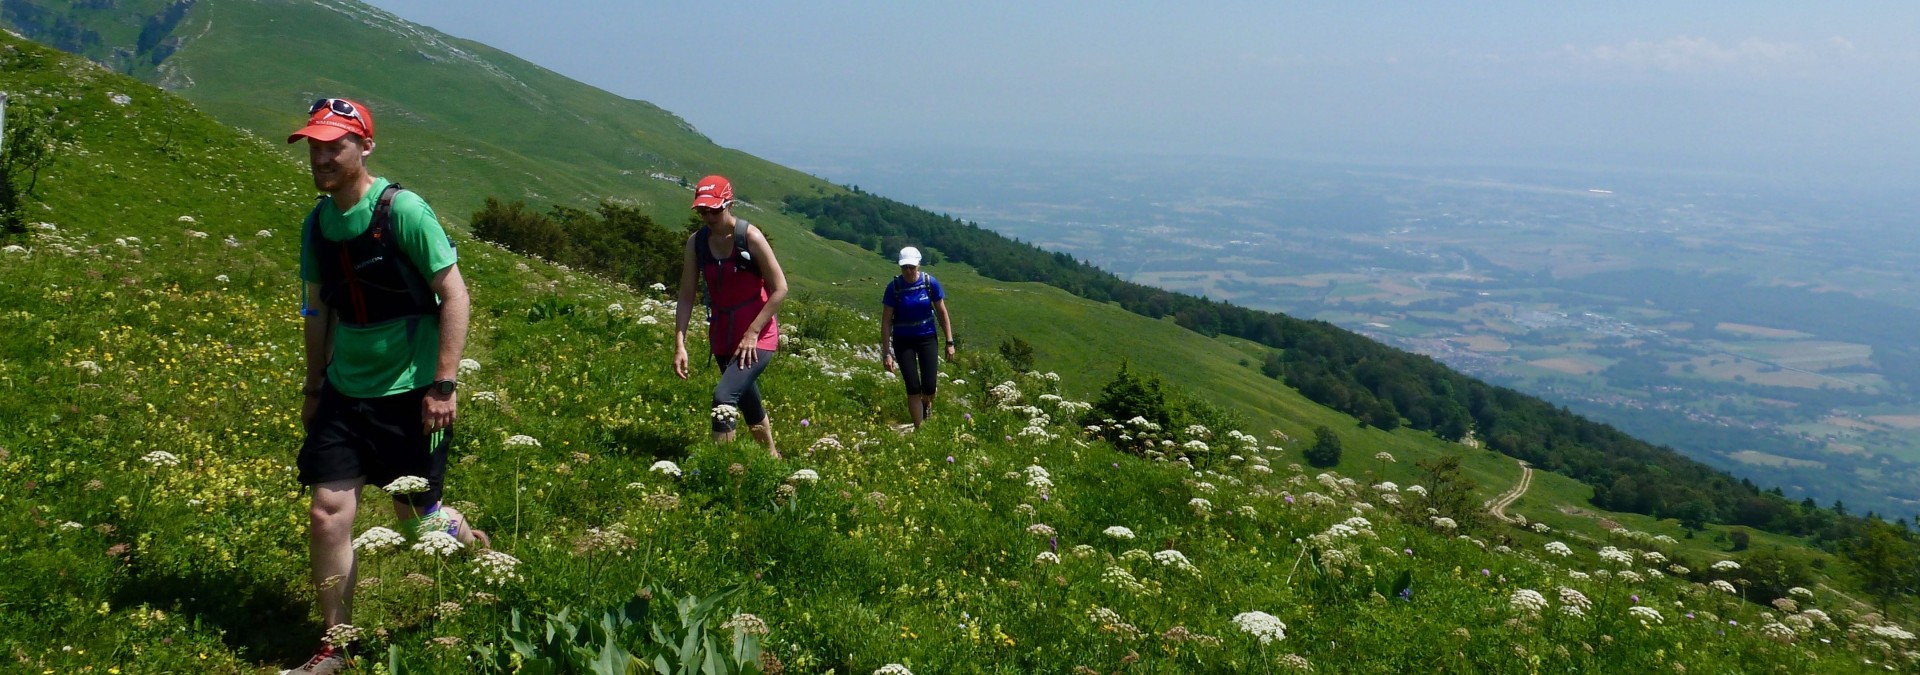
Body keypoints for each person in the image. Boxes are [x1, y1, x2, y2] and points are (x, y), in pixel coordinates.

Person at [283, 98, 481, 675]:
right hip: (345, 390)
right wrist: (314, 385)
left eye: (334, 145)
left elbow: (456, 294)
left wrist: (443, 384)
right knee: (328, 511)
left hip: (412, 389)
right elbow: (316, 309)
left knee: (415, 517)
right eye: (315, 146)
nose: (321, 156)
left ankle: (473, 547)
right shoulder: (317, 224)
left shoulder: (404, 211)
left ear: (364, 147)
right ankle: (337, 645)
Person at [673, 175, 788, 455]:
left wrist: (752, 332)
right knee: (748, 400)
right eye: (702, 211)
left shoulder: (750, 237)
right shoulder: (696, 243)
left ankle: (723, 470)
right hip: (723, 335)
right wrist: (680, 343)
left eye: (714, 210)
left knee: (723, 397)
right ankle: (772, 458)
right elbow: (687, 295)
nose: (708, 216)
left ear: (729, 204)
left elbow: (780, 288)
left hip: (758, 335)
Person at [881, 246, 955, 427]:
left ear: (918, 265)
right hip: (903, 340)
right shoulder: (894, 288)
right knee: (913, 386)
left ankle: (927, 401)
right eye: (904, 267)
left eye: (911, 267)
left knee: (929, 386)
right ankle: (920, 428)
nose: (908, 271)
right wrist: (886, 353)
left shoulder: (930, 283)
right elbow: (886, 321)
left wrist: (949, 341)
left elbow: (942, 312)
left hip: (927, 337)